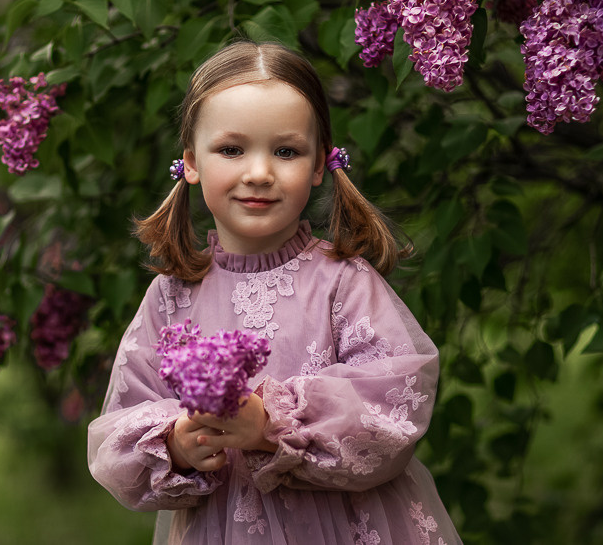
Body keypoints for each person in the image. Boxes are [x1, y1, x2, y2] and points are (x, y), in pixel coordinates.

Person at [88, 41, 461, 544]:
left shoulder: (342, 282)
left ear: (318, 165)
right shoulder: (171, 298)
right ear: (192, 162)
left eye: (286, 151)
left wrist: (270, 422)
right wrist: (176, 444)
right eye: (231, 149)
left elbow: (392, 408)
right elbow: (117, 432)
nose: (259, 173)